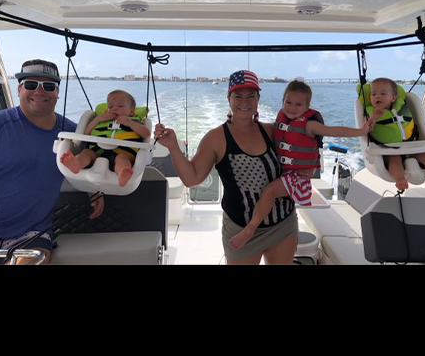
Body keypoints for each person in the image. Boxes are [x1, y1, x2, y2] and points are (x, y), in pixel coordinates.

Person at [155, 70, 306, 265]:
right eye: (238, 96)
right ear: (229, 98)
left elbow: (301, 152)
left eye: (251, 95)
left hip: (283, 223)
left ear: (258, 98)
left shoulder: (271, 131)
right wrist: (173, 146)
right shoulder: (216, 138)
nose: (245, 102)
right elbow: (192, 179)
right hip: (240, 229)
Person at [0, 59, 104, 265]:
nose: (39, 92)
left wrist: (93, 189)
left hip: (32, 234)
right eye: (31, 85)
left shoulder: (74, 134)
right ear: (19, 88)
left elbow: (90, 158)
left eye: (49, 86)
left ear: (57, 93)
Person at [228, 79, 373, 251]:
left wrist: (361, 131)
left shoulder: (310, 125)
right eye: (288, 102)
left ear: (307, 107)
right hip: (283, 172)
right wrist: (238, 123)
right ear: (282, 102)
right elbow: (266, 130)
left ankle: (250, 229)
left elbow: (334, 130)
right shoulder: (282, 121)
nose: (292, 107)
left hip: (298, 177)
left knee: (269, 191)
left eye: (298, 104)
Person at [367, 77, 425, 192]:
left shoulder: (402, 107)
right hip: (388, 149)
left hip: (411, 145)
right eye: (373, 94)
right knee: (394, 159)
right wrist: (374, 118)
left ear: (393, 98)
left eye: (383, 93)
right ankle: (400, 179)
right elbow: (366, 128)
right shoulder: (370, 112)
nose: (377, 96)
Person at [60, 90, 151, 187]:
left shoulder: (134, 122)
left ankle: (122, 174)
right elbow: (86, 132)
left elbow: (146, 134)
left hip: (123, 152)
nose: (114, 109)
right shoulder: (101, 119)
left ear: (131, 111)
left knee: (122, 159)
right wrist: (97, 119)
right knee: (86, 152)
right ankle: (76, 163)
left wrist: (129, 123)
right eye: (110, 107)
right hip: (98, 152)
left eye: (120, 106)